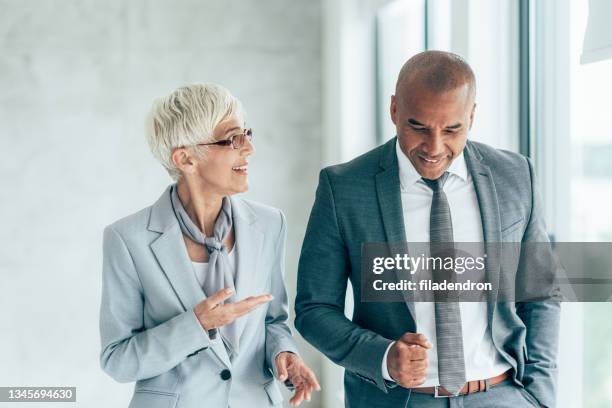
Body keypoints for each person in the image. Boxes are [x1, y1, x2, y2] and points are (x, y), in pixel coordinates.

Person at [295, 51, 560, 407]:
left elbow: (540, 293)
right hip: (396, 400)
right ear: (394, 110)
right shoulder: (343, 188)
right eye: (418, 127)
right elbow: (314, 308)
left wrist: (539, 396)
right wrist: (384, 357)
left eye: (452, 129)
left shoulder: (516, 176)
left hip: (501, 395)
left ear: (472, 116)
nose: (434, 148)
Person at [99, 83, 319, 408]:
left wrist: (284, 353)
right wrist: (197, 326)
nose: (249, 149)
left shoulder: (270, 224)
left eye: (247, 133)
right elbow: (117, 359)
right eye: (233, 139)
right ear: (186, 158)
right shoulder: (128, 239)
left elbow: (273, 322)